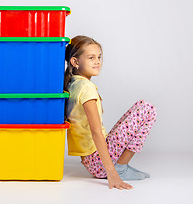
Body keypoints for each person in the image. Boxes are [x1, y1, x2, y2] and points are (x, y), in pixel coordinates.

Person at [64, 35, 157, 190]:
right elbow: (95, 132)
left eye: (99, 57)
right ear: (75, 62)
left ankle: (120, 166)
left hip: (90, 161)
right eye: (91, 57)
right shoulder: (86, 88)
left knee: (141, 108)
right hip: (97, 162)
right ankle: (120, 168)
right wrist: (111, 172)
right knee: (146, 108)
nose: (97, 61)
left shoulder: (73, 83)